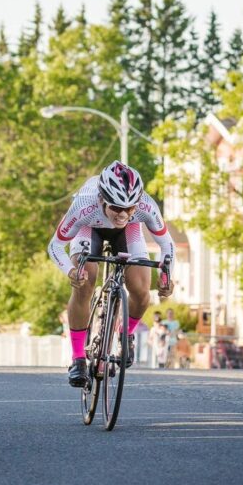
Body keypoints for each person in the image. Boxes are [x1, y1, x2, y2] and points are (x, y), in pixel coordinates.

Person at [47, 160, 174, 387]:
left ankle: (126, 334)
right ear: (102, 199)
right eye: (116, 207)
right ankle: (77, 358)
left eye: (130, 208)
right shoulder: (84, 205)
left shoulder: (146, 206)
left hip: (130, 233)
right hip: (90, 228)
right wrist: (70, 271)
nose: (123, 214)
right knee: (85, 280)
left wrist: (166, 277)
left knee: (141, 289)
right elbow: (55, 246)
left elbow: (167, 244)